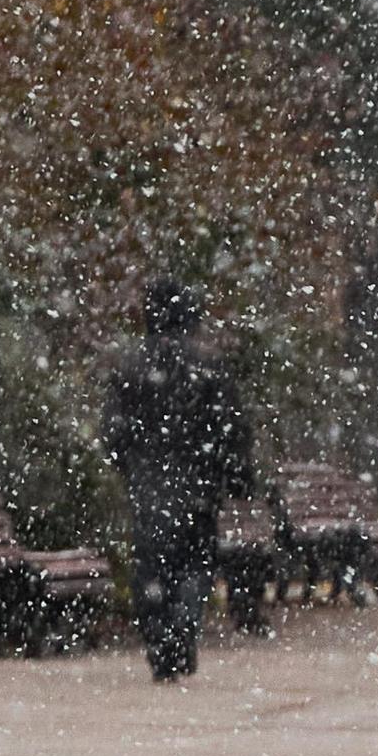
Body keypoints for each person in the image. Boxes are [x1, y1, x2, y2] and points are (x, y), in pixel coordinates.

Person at [102, 278, 255, 681]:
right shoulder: (209, 367)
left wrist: (132, 468)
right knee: (194, 567)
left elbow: (114, 433)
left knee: (151, 572)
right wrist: (233, 474)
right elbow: (234, 429)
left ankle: (161, 644)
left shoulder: (130, 368)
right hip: (198, 492)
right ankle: (183, 628)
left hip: (151, 491)